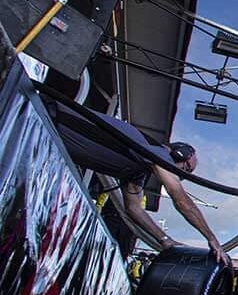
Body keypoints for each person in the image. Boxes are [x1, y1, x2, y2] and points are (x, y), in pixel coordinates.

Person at [45, 98, 228, 263]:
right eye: (186, 168)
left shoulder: (138, 170)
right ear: (180, 155)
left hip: (48, 135)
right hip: (47, 114)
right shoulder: (157, 153)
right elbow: (180, 198)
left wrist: (165, 240)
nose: (181, 175)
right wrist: (211, 238)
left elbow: (134, 209)